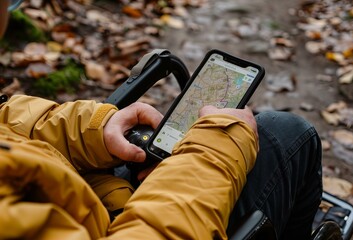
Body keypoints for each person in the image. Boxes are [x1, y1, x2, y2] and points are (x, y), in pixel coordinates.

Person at [0, 2, 322, 239]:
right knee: (292, 134)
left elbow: (7, 127)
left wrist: (90, 130)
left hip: (86, 192)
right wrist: (217, 152)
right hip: (116, 222)